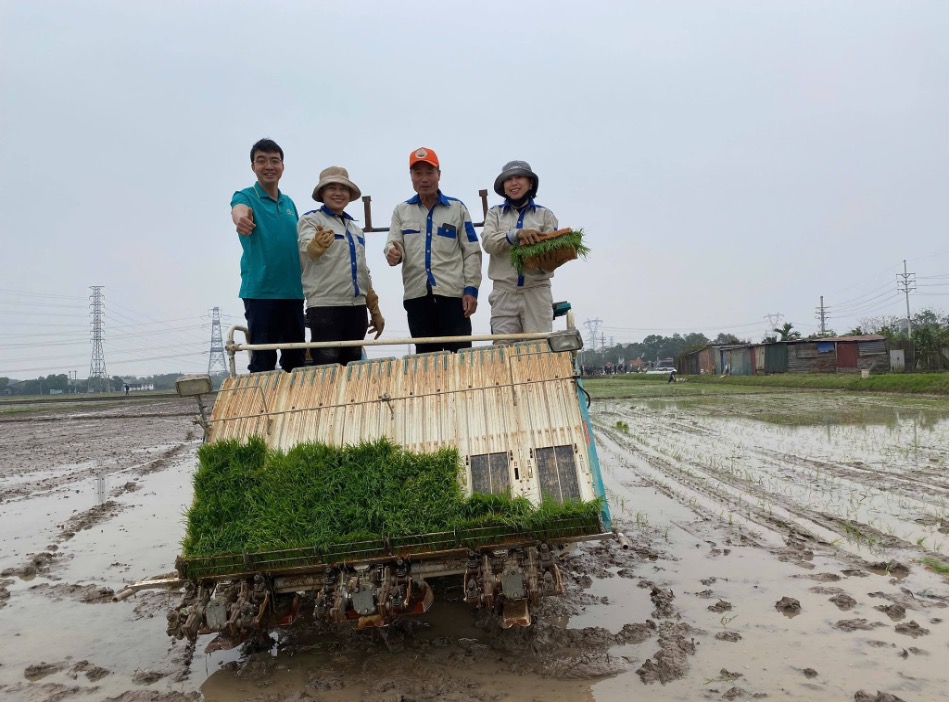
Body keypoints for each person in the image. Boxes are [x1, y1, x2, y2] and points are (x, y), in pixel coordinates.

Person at [384, 147, 482, 353]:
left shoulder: (457, 209)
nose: (424, 179)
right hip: (416, 298)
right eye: (418, 173)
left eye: (430, 172)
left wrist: (471, 289)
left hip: (454, 298)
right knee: (427, 362)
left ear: (439, 174)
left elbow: (472, 251)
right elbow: (393, 243)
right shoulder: (401, 211)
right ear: (411, 177)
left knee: (461, 359)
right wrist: (393, 253)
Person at [230, 138, 306, 373]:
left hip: (293, 292)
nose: (269, 166)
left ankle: (295, 408)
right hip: (261, 292)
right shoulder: (245, 196)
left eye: (275, 160)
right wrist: (241, 219)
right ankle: (263, 409)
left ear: (283, 166)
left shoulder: (289, 203)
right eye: (261, 161)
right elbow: (238, 210)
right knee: (263, 360)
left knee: (296, 360)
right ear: (253, 167)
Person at [297, 166, 384, 366]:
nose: (338, 193)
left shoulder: (355, 229)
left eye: (343, 188)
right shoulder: (310, 221)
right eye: (331, 188)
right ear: (322, 193)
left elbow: (363, 271)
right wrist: (316, 245)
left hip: (357, 308)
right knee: (327, 368)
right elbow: (307, 250)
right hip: (326, 306)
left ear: (349, 194)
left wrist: (375, 309)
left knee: (353, 367)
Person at [480, 160, 559, 337]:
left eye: (519, 178)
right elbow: (488, 243)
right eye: (508, 179)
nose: (513, 183)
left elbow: (552, 254)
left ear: (530, 183)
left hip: (536, 290)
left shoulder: (545, 215)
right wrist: (515, 235)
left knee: (537, 350)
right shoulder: (494, 213)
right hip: (503, 292)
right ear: (503, 186)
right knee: (503, 349)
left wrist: (550, 260)